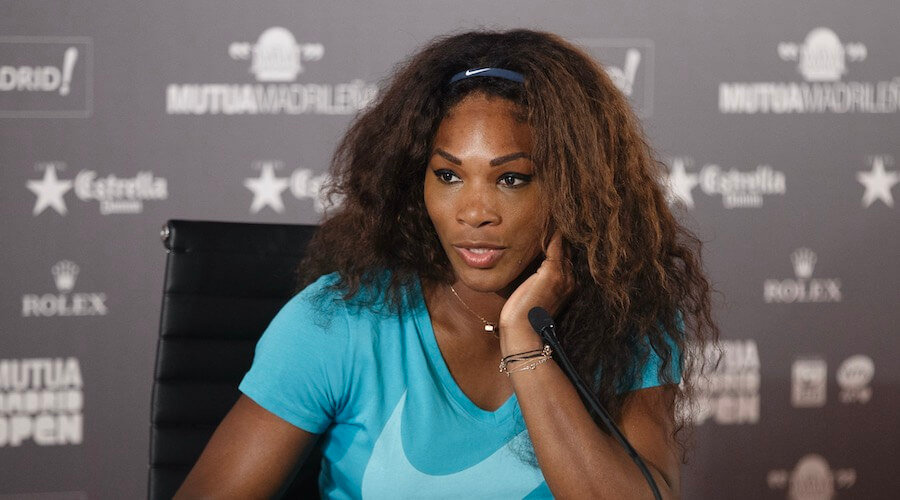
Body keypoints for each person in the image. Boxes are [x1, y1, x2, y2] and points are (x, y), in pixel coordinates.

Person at [176, 29, 717, 499]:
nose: (474, 213)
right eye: (449, 176)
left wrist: (526, 344)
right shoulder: (338, 321)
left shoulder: (627, 322)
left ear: (576, 191)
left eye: (512, 179)